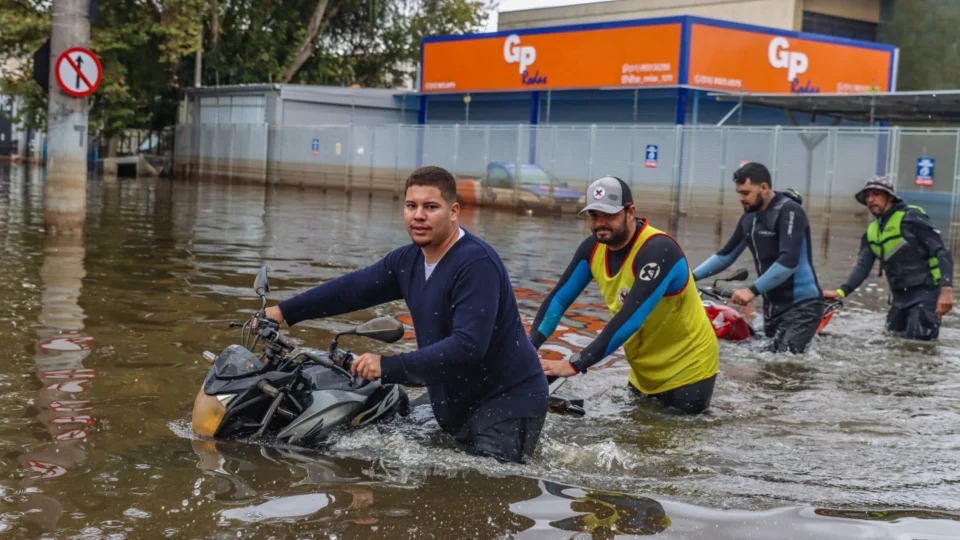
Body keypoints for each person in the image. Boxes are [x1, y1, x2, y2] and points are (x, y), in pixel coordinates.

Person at [263, 166, 548, 464]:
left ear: (453, 212)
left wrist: (388, 366)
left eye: (430, 207)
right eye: (411, 206)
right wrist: (284, 311)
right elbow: (352, 289)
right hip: (456, 400)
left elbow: (468, 346)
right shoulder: (407, 261)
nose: (418, 216)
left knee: (479, 496)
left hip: (506, 402)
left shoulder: (476, 264)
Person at [530, 176, 719, 414]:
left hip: (689, 369)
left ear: (630, 212)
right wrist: (527, 348)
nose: (600, 223)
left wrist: (575, 364)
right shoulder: (592, 249)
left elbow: (631, 318)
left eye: (609, 215)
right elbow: (559, 299)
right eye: (594, 215)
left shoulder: (659, 250)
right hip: (644, 371)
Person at [691, 162, 824, 354]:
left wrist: (752, 291)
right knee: (765, 363)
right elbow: (725, 256)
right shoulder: (749, 218)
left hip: (803, 306)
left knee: (784, 363)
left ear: (764, 187)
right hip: (773, 307)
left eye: (745, 193)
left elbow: (789, 262)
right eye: (738, 193)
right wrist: (688, 277)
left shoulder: (790, 211)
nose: (740, 198)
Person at [823, 175, 953, 341]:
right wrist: (841, 292)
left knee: (919, 347)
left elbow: (942, 251)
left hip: (926, 294)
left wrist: (946, 290)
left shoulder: (911, 218)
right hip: (899, 298)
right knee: (893, 343)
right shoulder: (872, 232)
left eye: (876, 194)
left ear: (889, 197)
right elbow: (863, 267)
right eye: (867, 196)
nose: (870, 199)